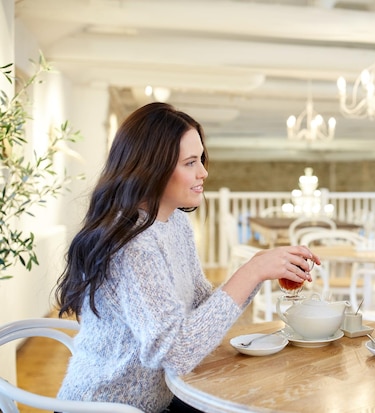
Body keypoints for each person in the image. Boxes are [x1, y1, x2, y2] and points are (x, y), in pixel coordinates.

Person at [54, 102, 320, 413]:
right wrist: (250, 272)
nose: (204, 172)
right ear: (151, 167)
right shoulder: (133, 245)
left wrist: (259, 270)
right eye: (190, 162)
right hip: (107, 407)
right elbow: (176, 351)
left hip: (159, 398)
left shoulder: (173, 222)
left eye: (201, 159)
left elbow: (198, 308)